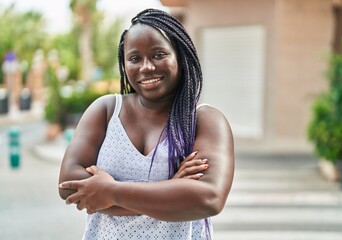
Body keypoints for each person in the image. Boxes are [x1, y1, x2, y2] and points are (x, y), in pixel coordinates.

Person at [58, 8, 234, 240]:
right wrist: (171, 190)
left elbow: (209, 198)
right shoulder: (106, 110)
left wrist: (111, 192)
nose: (146, 67)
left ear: (180, 56)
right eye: (134, 58)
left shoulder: (204, 121)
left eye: (159, 54)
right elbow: (69, 185)